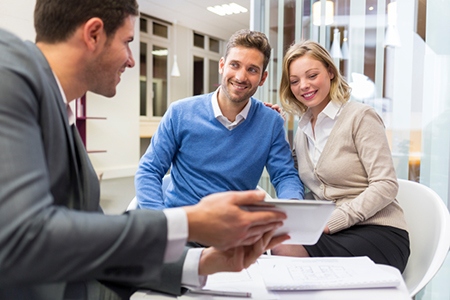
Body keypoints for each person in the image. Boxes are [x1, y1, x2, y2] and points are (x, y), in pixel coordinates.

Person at [0, 1, 290, 299]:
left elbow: (93, 249)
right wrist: (187, 223)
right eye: (128, 42)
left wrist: (199, 264)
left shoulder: (62, 119)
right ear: (94, 34)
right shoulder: (10, 72)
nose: (132, 60)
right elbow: (25, 239)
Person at [271, 40, 410, 272]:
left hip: (377, 231)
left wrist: (333, 221)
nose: (303, 85)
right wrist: (274, 128)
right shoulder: (303, 128)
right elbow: (291, 174)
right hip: (331, 231)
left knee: (285, 249)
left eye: (312, 75)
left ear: (331, 72)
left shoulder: (360, 116)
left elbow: (386, 184)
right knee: (274, 244)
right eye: (294, 81)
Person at [135, 29, 304, 210]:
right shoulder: (179, 113)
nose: (240, 77)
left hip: (235, 228)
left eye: (252, 69)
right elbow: (149, 171)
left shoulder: (271, 122)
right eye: (235, 65)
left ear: (263, 78)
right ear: (222, 66)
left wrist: (294, 208)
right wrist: (162, 223)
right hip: (184, 224)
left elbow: (285, 175)